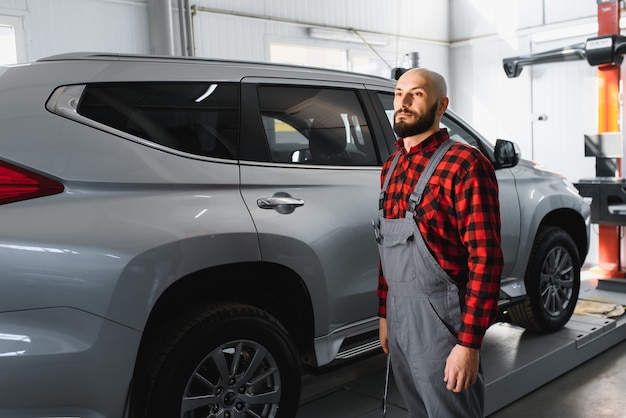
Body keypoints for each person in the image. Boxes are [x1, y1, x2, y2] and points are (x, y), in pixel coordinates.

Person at [374, 68, 503, 417]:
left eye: (416, 94)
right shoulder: (392, 166)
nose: (403, 102)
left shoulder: (465, 164)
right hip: (400, 314)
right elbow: (387, 245)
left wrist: (469, 343)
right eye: (399, 94)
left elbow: (486, 259)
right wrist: (385, 313)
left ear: (441, 104)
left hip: (441, 319)